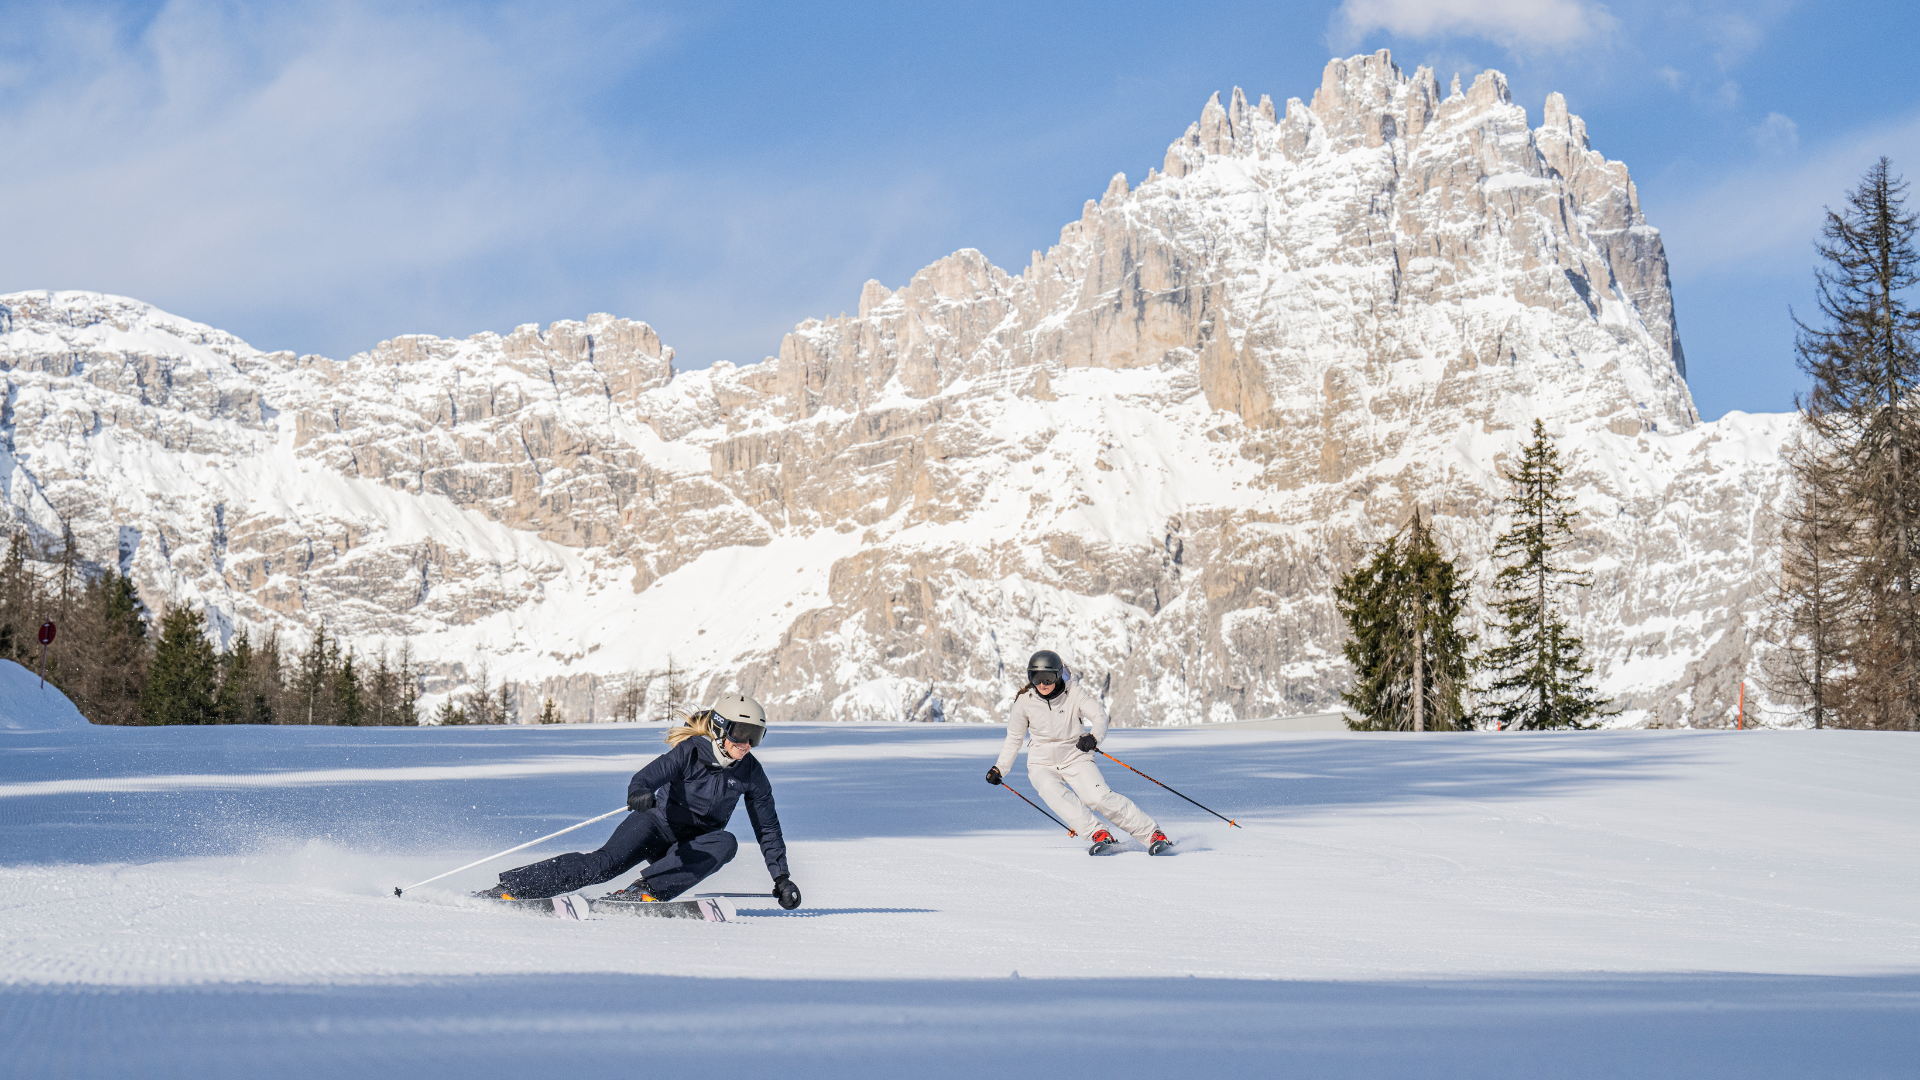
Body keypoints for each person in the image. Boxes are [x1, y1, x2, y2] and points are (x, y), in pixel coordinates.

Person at [475, 692, 802, 908]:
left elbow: (768, 828)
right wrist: (640, 793)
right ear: (720, 728)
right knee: (602, 866)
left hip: (688, 848)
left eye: (755, 737)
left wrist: (781, 877)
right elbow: (647, 777)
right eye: (741, 734)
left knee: (726, 844)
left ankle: (643, 891)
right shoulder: (690, 752)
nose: (746, 744)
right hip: (654, 826)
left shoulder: (751, 773)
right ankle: (515, 888)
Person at [985, 650, 1171, 855]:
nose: (1042, 684)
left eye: (1048, 678)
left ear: (1057, 675)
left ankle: (1152, 834)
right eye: (1036, 678)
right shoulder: (1024, 702)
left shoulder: (1074, 694)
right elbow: (1014, 738)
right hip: (1041, 763)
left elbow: (1099, 716)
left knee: (1098, 798)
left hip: (1075, 757)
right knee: (1051, 790)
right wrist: (1000, 768)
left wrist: (1093, 737)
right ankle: (1098, 834)